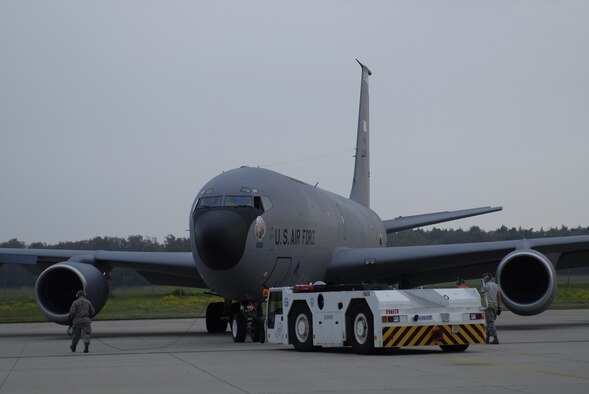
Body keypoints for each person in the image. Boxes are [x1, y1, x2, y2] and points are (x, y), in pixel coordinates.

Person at [481, 273, 502, 344]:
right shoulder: (496, 285)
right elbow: (498, 297)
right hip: (495, 306)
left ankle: (495, 338)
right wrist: (499, 307)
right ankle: (487, 338)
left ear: (486, 279)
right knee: (491, 323)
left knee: (490, 323)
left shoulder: (485, 286)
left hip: (488, 306)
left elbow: (482, 296)